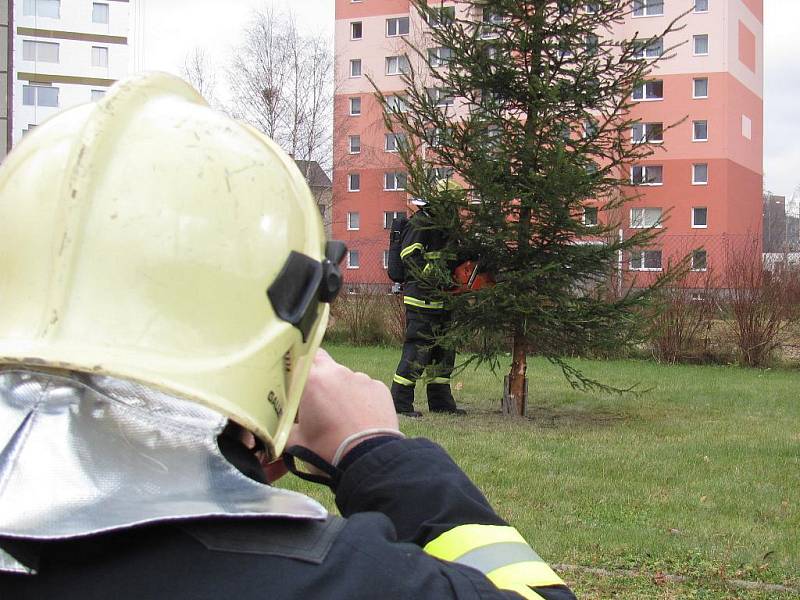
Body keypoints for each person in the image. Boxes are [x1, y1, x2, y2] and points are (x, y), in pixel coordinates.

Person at [0, 73, 576, 600]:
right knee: (416, 360)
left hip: (436, 307)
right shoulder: (342, 581)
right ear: (289, 342)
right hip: (421, 311)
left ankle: (436, 396)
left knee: (436, 363)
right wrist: (375, 450)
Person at [390, 192, 465, 418]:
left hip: (443, 300)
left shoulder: (446, 227)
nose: (456, 212)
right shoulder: (420, 224)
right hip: (421, 300)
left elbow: (454, 258)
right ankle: (400, 405)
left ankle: (441, 403)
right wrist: (438, 277)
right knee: (417, 351)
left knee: (444, 352)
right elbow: (410, 257)